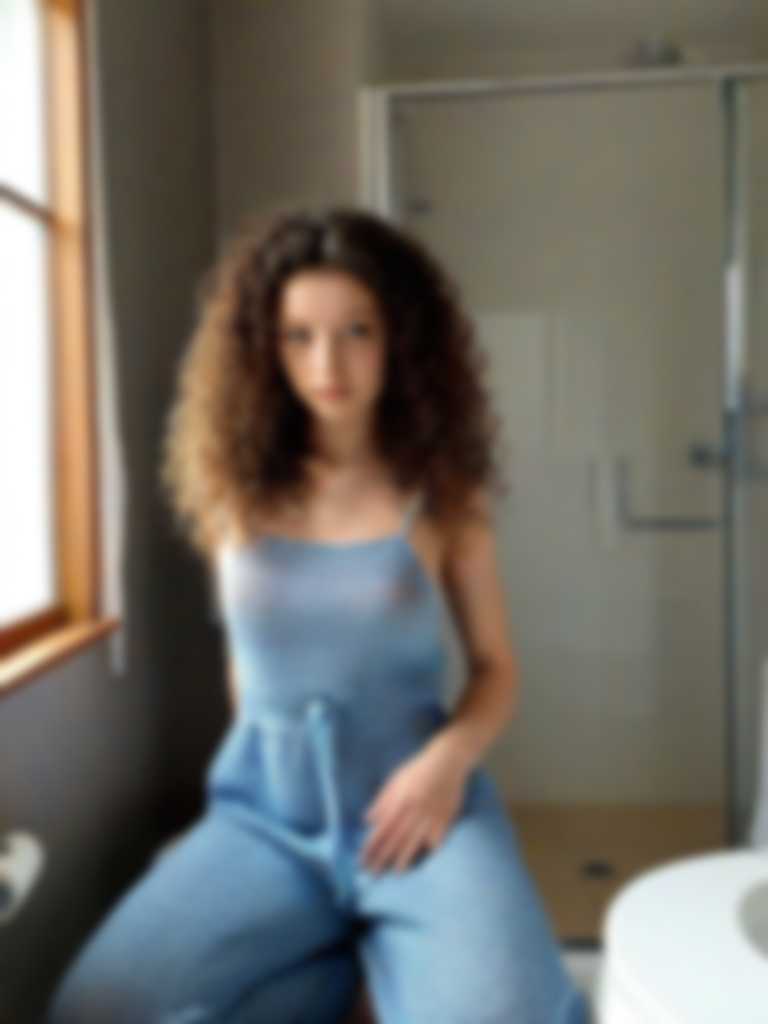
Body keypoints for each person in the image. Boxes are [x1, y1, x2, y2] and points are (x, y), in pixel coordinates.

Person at [45, 205, 591, 1023]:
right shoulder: (232, 490)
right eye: (298, 336)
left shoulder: (444, 493)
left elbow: (496, 668)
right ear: (263, 347)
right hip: (265, 823)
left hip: (414, 813)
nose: (326, 362)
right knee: (93, 1010)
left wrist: (447, 763)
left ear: (401, 338)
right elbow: (250, 666)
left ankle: (372, 947)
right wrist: (245, 808)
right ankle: (346, 964)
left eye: (356, 331)